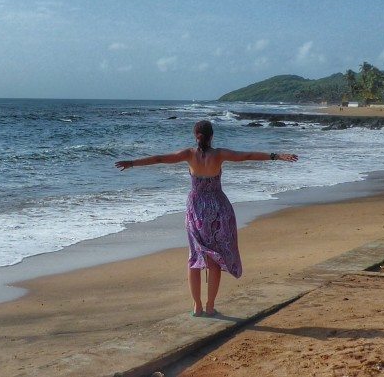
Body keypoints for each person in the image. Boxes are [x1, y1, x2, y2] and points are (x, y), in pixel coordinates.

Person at [114, 120, 298, 317]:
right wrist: (276, 156)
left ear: (196, 136)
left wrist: (132, 163)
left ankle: (197, 306)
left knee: (195, 257)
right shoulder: (219, 155)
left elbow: (160, 158)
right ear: (212, 136)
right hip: (219, 209)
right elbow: (247, 156)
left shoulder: (188, 155)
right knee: (213, 259)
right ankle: (210, 306)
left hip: (196, 211)